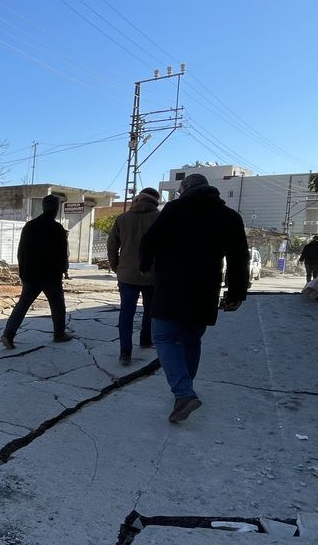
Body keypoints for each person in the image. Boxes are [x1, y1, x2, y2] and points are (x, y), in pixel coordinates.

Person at [139, 174, 250, 423]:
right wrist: (236, 294)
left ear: (186, 188)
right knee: (191, 340)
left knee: (164, 337)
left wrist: (145, 264)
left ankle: (184, 393)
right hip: (204, 291)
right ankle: (184, 392)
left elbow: (150, 239)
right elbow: (239, 258)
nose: (178, 194)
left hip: (170, 288)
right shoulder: (230, 217)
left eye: (179, 190)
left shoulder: (174, 210)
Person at [0, 194, 73, 349]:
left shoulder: (30, 226)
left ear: (43, 207)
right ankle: (59, 334)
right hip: (51, 276)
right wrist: (64, 271)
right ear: (56, 209)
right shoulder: (57, 229)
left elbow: (21, 252)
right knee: (58, 306)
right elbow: (62, 254)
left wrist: (22, 273)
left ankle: (8, 334)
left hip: (31, 275)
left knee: (22, 305)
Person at [107, 187, 160, 364]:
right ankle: (146, 340)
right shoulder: (160, 218)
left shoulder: (123, 219)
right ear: (155, 200)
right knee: (150, 311)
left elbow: (112, 246)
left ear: (138, 199)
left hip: (127, 275)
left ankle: (125, 353)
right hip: (152, 275)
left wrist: (116, 266)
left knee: (126, 313)